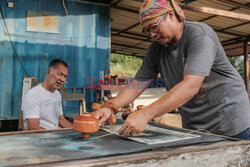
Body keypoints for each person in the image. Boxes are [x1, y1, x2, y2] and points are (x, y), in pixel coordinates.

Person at [95, 0, 250, 140]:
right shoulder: (156, 49)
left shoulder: (199, 36)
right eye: (147, 31)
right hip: (195, 127)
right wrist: (111, 107)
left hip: (231, 122)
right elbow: (138, 83)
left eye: (154, 27)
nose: (152, 34)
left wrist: (145, 114)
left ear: (170, 15)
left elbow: (191, 86)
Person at [22, 59, 73, 130]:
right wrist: (55, 138)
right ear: (48, 71)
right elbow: (33, 127)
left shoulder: (57, 94)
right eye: (60, 74)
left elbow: (61, 119)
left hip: (53, 136)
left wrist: (77, 130)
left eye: (65, 76)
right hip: (39, 139)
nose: (62, 79)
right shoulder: (33, 95)